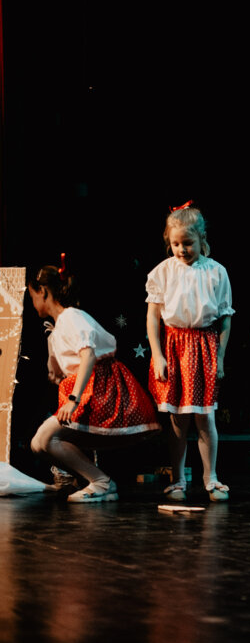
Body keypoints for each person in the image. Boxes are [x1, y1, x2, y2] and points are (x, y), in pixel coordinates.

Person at [28, 258, 161, 503]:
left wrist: (73, 399)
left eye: (32, 295)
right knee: (38, 444)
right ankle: (83, 477)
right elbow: (60, 371)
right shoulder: (57, 328)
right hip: (82, 388)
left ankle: (102, 482)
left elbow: (88, 355)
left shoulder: (71, 316)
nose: (32, 302)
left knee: (46, 438)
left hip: (100, 387)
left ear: (43, 292)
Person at [146, 202, 234, 502]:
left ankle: (211, 478)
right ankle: (178, 479)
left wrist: (220, 357)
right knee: (177, 420)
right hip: (173, 346)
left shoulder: (216, 272)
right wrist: (158, 355)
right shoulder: (162, 272)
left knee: (205, 417)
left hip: (204, 345)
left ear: (201, 239)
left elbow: (225, 318)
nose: (181, 250)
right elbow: (153, 317)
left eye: (188, 243)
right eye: (176, 244)